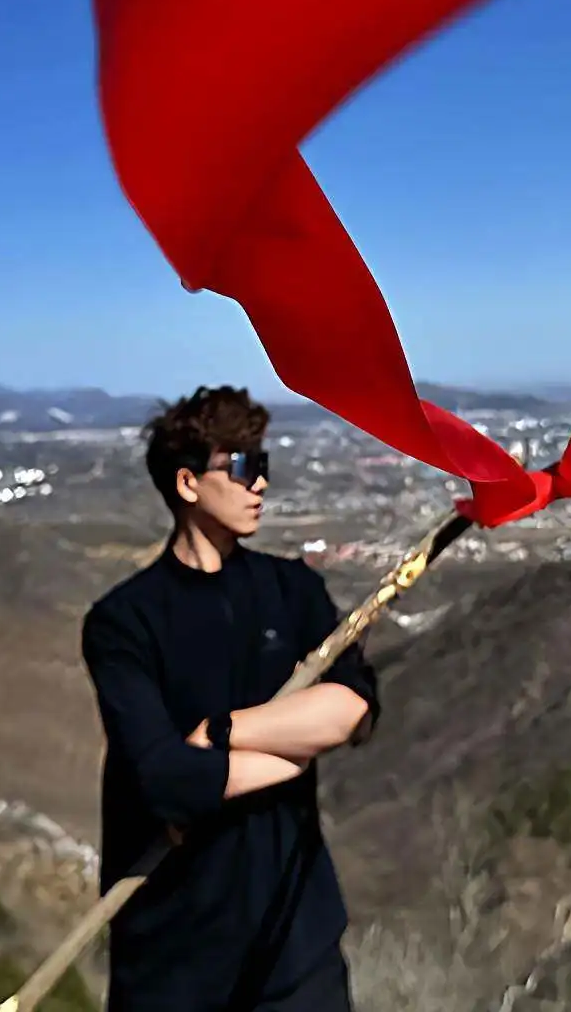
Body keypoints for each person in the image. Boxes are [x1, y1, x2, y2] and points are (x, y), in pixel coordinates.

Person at [82, 386, 380, 1012]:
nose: (260, 483)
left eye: (262, 464)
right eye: (242, 465)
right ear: (187, 482)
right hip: (174, 958)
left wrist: (221, 733)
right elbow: (164, 778)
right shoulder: (124, 622)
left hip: (295, 942)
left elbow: (353, 709)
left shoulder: (293, 591)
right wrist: (295, 747)